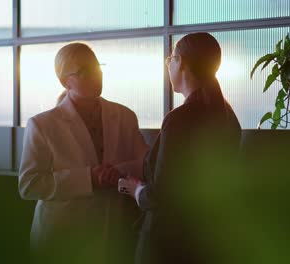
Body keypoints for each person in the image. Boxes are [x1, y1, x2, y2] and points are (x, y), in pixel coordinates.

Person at [18, 42, 149, 264]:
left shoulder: (125, 115)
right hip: (64, 239)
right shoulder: (42, 125)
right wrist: (88, 178)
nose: (96, 75)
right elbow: (29, 185)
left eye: (97, 66)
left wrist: (117, 172)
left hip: (115, 234)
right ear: (64, 81)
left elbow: (145, 165)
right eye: (85, 71)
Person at [120, 32, 242, 264]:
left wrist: (134, 189)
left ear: (182, 62)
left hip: (168, 241)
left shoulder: (180, 119)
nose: (168, 65)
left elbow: (163, 194)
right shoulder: (228, 116)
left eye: (170, 59)